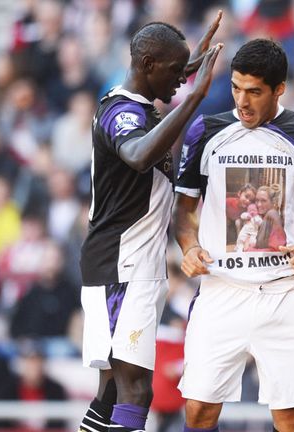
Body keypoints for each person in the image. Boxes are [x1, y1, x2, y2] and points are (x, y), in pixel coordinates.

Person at [174, 39, 294, 432]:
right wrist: (190, 246)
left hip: (285, 294)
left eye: (254, 91)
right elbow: (183, 211)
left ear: (279, 88)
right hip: (221, 291)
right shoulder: (206, 130)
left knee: (291, 419)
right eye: (235, 87)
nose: (242, 101)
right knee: (198, 411)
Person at [78, 12, 225, 432]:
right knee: (136, 389)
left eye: (185, 73)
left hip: (125, 262)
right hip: (123, 264)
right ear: (147, 65)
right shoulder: (121, 111)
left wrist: (186, 64)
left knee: (111, 392)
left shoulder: (135, 105)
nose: (181, 80)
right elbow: (139, 156)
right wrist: (194, 98)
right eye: (175, 72)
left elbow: (149, 138)